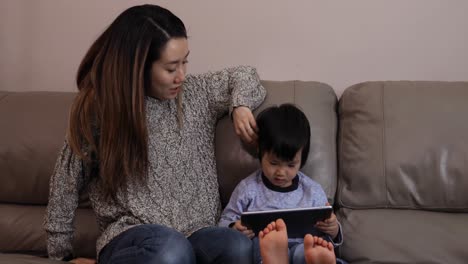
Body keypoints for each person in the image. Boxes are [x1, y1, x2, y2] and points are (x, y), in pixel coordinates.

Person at [44, 4, 266, 264]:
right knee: (171, 250)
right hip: (134, 237)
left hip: (197, 233)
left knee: (238, 246)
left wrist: (240, 105)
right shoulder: (100, 109)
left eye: (185, 62)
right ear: (138, 66)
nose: (181, 76)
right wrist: (61, 257)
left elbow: (246, 75)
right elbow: (65, 183)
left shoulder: (197, 93)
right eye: (171, 68)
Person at [218, 104, 344, 264]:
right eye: (274, 163)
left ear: (302, 160)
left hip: (302, 246)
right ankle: (275, 258)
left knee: (307, 250)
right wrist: (234, 228)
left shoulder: (312, 190)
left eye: (290, 165)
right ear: (260, 152)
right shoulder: (248, 188)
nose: (281, 172)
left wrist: (333, 230)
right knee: (261, 244)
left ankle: (312, 259)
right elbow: (225, 220)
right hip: (265, 249)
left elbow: (327, 226)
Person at [259, 219, 336, 264]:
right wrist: (246, 230)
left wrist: (334, 229)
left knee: (303, 253)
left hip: (303, 243)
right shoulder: (250, 193)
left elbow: (327, 222)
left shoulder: (316, 193)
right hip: (271, 243)